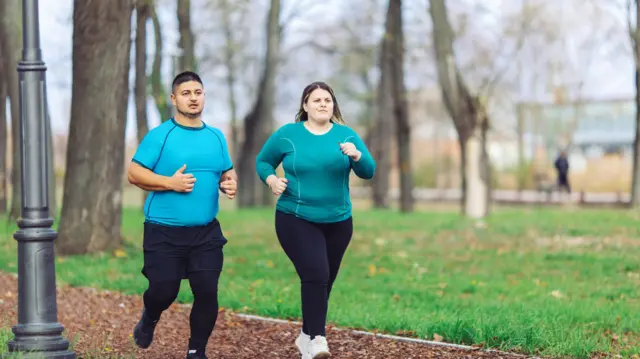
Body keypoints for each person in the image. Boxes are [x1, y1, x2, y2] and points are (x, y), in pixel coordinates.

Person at [255, 81, 376, 359]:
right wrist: (272, 179)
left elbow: (368, 171)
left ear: (333, 105)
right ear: (305, 106)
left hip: (339, 221)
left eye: (328, 100)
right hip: (296, 217)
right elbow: (263, 162)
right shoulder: (288, 135)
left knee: (324, 281)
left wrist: (356, 155)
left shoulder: (346, 136)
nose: (323, 104)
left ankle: (305, 336)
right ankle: (318, 339)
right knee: (316, 274)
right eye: (317, 100)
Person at [127, 71, 237, 359]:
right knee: (164, 291)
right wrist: (169, 183)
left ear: (204, 96)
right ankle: (150, 316)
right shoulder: (161, 136)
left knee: (207, 290)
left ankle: (196, 351)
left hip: (205, 231)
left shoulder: (216, 136)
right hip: (163, 230)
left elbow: (226, 170)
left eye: (197, 92)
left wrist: (229, 182)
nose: (193, 98)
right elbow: (134, 173)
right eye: (186, 93)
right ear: (174, 99)